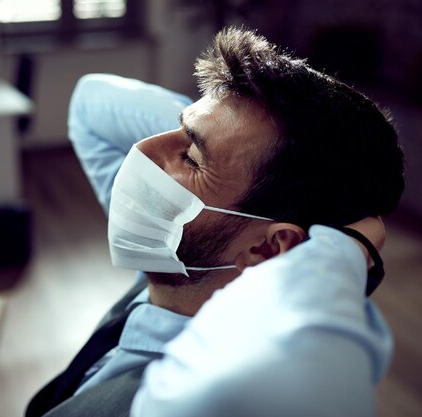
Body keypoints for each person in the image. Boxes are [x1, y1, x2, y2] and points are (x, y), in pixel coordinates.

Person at [25, 27, 404, 417]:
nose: (140, 149)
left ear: (267, 248)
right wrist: (215, 125)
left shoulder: (215, 394)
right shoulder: (175, 255)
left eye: (190, 157)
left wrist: (343, 249)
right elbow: (91, 101)